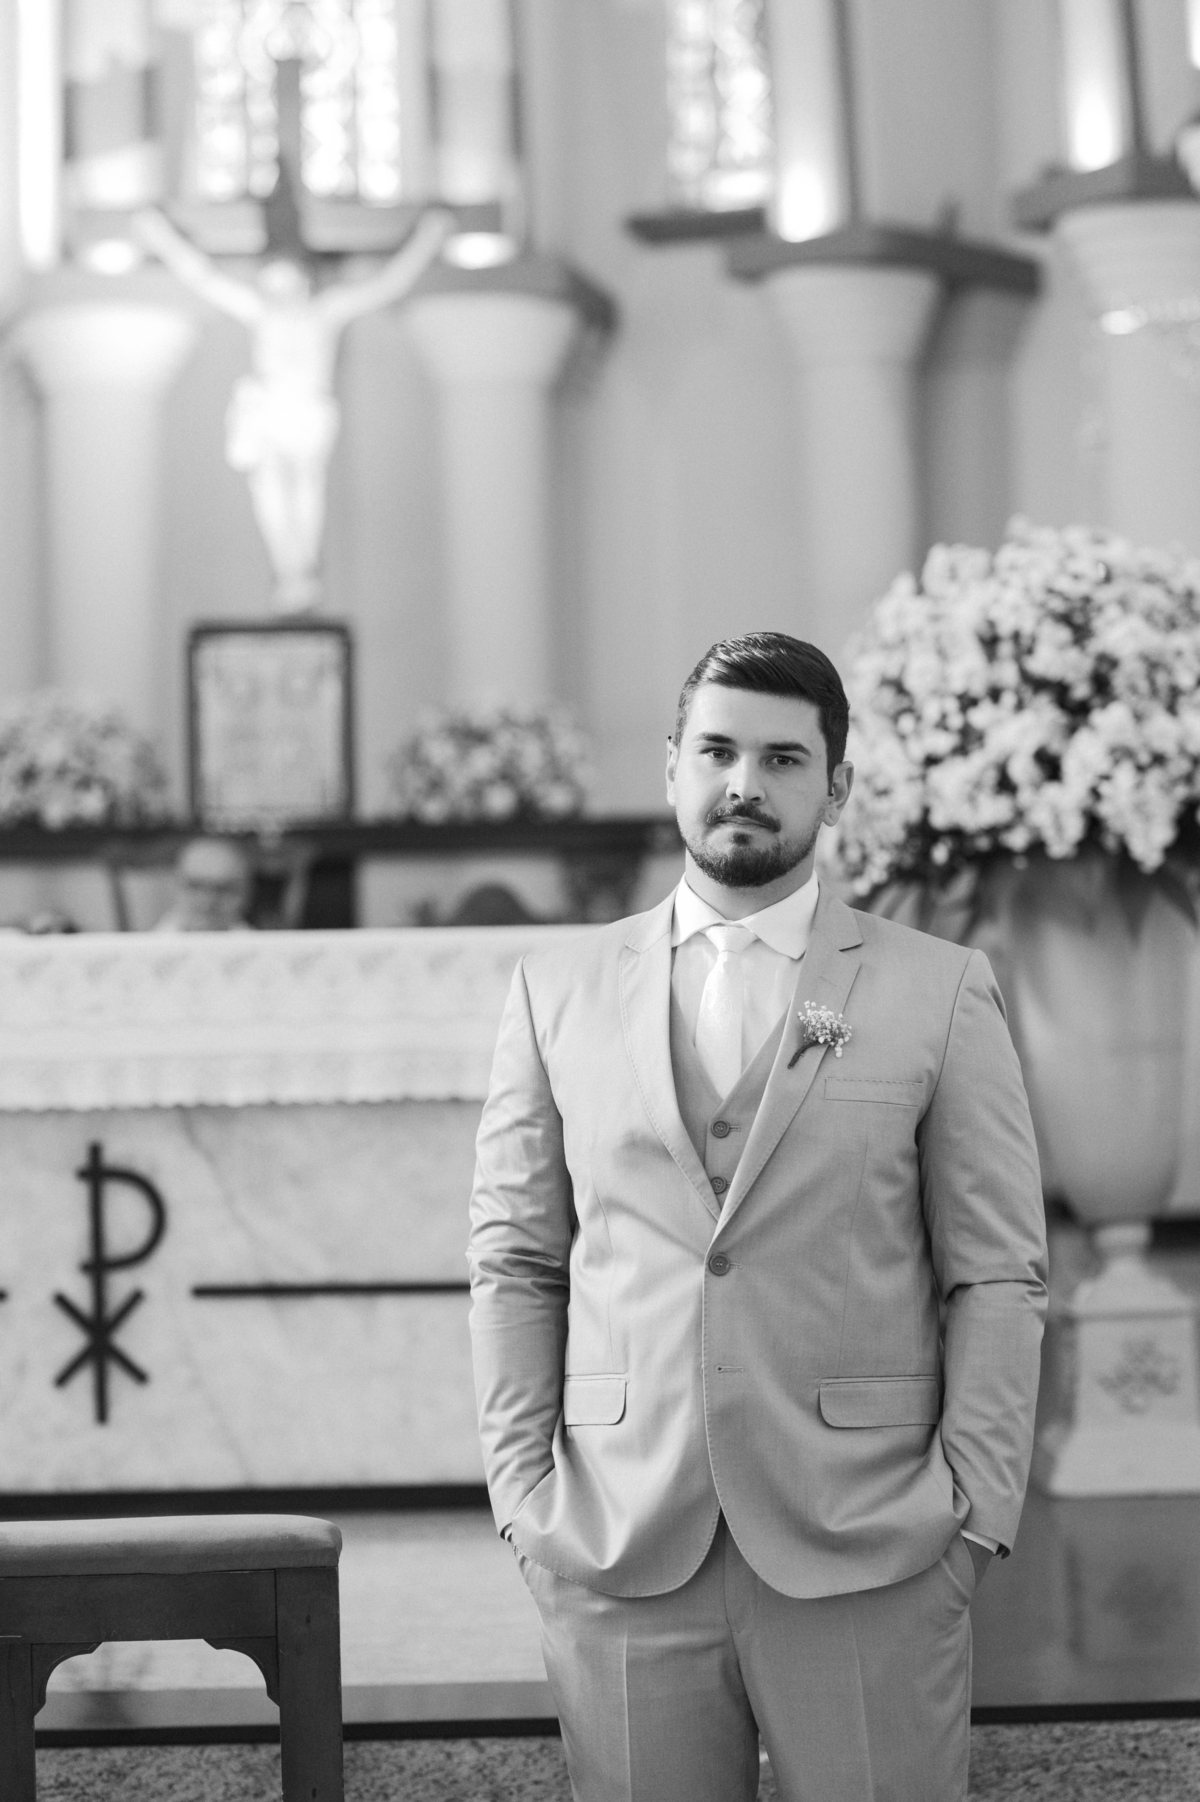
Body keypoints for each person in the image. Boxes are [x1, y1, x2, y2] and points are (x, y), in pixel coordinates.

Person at [468, 632, 1047, 1802]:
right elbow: (518, 1261)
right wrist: (523, 1499)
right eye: (718, 750)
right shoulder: (555, 989)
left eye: (784, 758)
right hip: (619, 1538)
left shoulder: (939, 988)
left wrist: (974, 1512)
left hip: (870, 1539)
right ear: (671, 764)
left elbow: (997, 1271)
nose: (745, 782)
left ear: (836, 786)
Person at [132, 205, 452, 611]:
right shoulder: (261, 311)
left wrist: (428, 238)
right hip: (270, 409)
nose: (277, 288)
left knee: (304, 488)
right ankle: (289, 571)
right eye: (271, 281)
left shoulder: (326, 311)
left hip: (307, 409)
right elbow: (204, 279)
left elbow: (388, 285)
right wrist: (160, 236)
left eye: (284, 279)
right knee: (270, 489)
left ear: (302, 280)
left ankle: (301, 570)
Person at [154, 837, 253, 933]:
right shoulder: (148, 942)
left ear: (245, 894)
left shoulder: (261, 944)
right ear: (174, 887)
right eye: (195, 886)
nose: (206, 902)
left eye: (222, 889)